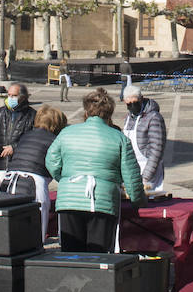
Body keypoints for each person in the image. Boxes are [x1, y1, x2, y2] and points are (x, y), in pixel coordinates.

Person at [46, 88, 146, 252]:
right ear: (109, 114)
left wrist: (66, 179)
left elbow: (51, 162)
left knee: (71, 254)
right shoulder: (120, 138)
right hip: (102, 199)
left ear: (86, 111)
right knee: (98, 256)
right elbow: (132, 176)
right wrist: (138, 200)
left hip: (69, 199)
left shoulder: (66, 133)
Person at [2, 104, 67, 237]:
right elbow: (57, 167)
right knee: (36, 230)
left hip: (8, 179)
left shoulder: (26, 136)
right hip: (34, 182)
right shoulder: (55, 140)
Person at [121, 84, 166, 192]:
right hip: (132, 170)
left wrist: (145, 177)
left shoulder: (154, 117)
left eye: (135, 103)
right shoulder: (128, 118)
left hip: (148, 169)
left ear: (141, 99)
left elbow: (156, 150)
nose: (132, 106)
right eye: (129, 104)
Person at [0, 84, 35, 171]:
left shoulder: (32, 115)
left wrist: (14, 147)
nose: (10, 98)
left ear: (23, 97)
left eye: (14, 96)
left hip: (20, 165)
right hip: (1, 163)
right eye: (9, 95)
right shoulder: (1, 112)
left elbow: (32, 140)